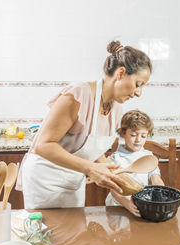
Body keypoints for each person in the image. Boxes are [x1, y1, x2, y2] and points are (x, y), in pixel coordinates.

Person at [17, 40, 152, 209]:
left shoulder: (117, 110)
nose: (138, 93)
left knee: (74, 232)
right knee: (48, 235)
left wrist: (119, 185)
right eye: (138, 84)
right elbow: (43, 146)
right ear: (120, 73)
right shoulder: (79, 94)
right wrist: (90, 169)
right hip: (45, 181)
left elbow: (92, 151)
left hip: (74, 181)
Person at [105, 110, 164, 217]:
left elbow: (156, 179)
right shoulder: (115, 159)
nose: (138, 140)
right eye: (133, 135)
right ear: (123, 133)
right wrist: (125, 202)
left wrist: (160, 194)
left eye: (143, 136)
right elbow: (113, 188)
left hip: (141, 204)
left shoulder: (148, 157)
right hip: (118, 206)